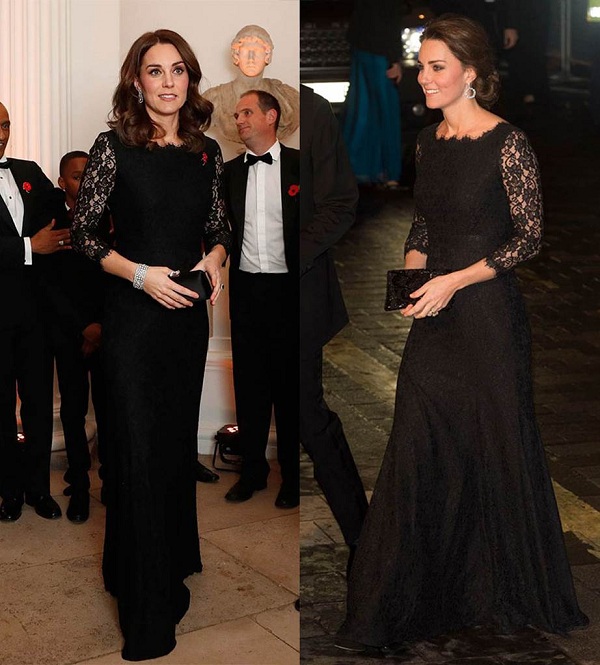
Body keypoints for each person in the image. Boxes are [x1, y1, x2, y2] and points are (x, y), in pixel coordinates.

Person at [336, 15, 589, 652]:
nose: (423, 77)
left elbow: (529, 238)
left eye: (437, 67)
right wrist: (412, 286)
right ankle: (419, 592)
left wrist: (454, 281)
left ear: (471, 73)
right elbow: (423, 226)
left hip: (487, 317)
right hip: (437, 318)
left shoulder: (509, 143)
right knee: (420, 439)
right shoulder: (429, 142)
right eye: (422, 66)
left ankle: (496, 590)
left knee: (494, 444)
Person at [71, 29, 231, 661]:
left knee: (171, 450)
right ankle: (145, 610)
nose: (168, 82)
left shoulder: (206, 151)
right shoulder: (113, 147)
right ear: (136, 82)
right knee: (135, 454)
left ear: (190, 79)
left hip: (186, 322)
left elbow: (218, 223)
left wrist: (214, 262)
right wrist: (140, 275)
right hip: (133, 322)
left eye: (178, 70)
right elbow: (84, 235)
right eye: (155, 71)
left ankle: (164, 564)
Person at [299, 85, 368, 571]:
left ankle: (364, 539)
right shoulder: (221, 107)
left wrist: (290, 259)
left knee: (308, 416)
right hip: (246, 298)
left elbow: (341, 201)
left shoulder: (311, 109)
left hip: (300, 290)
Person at [223, 90, 299, 509]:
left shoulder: (301, 166)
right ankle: (252, 472)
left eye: (247, 112)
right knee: (249, 387)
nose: (240, 120)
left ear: (271, 117)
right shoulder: (229, 173)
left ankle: (291, 477)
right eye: (237, 115)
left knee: (289, 388)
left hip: (290, 291)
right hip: (247, 290)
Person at [0, 101, 70, 523]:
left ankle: (39, 490)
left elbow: (59, 210)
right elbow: (37, 242)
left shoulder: (27, 170)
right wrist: (30, 246)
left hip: (36, 316)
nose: (1, 135)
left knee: (40, 404)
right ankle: (8, 492)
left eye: (6, 125)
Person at [40, 150, 111, 522]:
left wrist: (100, 326)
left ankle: (110, 480)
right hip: (69, 332)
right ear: (62, 182)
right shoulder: (52, 221)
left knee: (109, 407)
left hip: (106, 329)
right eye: (76, 176)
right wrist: (82, 326)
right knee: (72, 409)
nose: (83, 182)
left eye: (88, 174)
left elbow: (116, 275)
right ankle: (79, 485)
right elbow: (49, 283)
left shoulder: (109, 215)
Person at [204, 25, 299, 149]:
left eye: (257, 52)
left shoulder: (287, 98)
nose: (251, 58)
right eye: (245, 52)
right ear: (236, 56)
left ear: (267, 56)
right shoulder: (214, 99)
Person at [342, 0, 404, 188]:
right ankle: (388, 172)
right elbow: (389, 16)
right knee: (386, 111)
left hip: (362, 44)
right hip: (379, 49)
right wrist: (394, 58)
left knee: (362, 109)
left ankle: (357, 169)